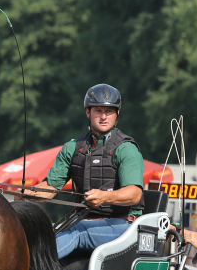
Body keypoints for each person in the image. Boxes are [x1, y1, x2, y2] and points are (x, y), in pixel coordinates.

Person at [27, 83, 145, 260]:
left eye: (109, 111)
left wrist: (104, 196)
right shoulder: (72, 148)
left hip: (124, 225)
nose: (104, 117)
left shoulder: (126, 149)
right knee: (45, 235)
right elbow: (49, 189)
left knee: (76, 232)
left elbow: (134, 194)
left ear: (117, 114)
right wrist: (26, 194)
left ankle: (33, 268)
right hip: (84, 220)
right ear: (88, 112)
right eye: (98, 111)